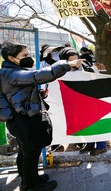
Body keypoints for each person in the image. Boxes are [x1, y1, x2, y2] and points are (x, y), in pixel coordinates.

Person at [0, 41, 83, 191]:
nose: (29, 58)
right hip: (23, 119)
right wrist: (66, 64)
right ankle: (32, 186)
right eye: (24, 55)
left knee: (26, 152)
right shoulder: (11, 73)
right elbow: (37, 76)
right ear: (11, 58)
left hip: (20, 118)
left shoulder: (9, 71)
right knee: (31, 154)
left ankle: (28, 178)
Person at [58, 47, 108, 156]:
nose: (76, 63)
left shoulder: (87, 68)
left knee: (96, 123)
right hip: (75, 103)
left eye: (77, 59)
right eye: (72, 61)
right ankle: (89, 144)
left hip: (90, 101)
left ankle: (101, 146)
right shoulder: (61, 71)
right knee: (85, 125)